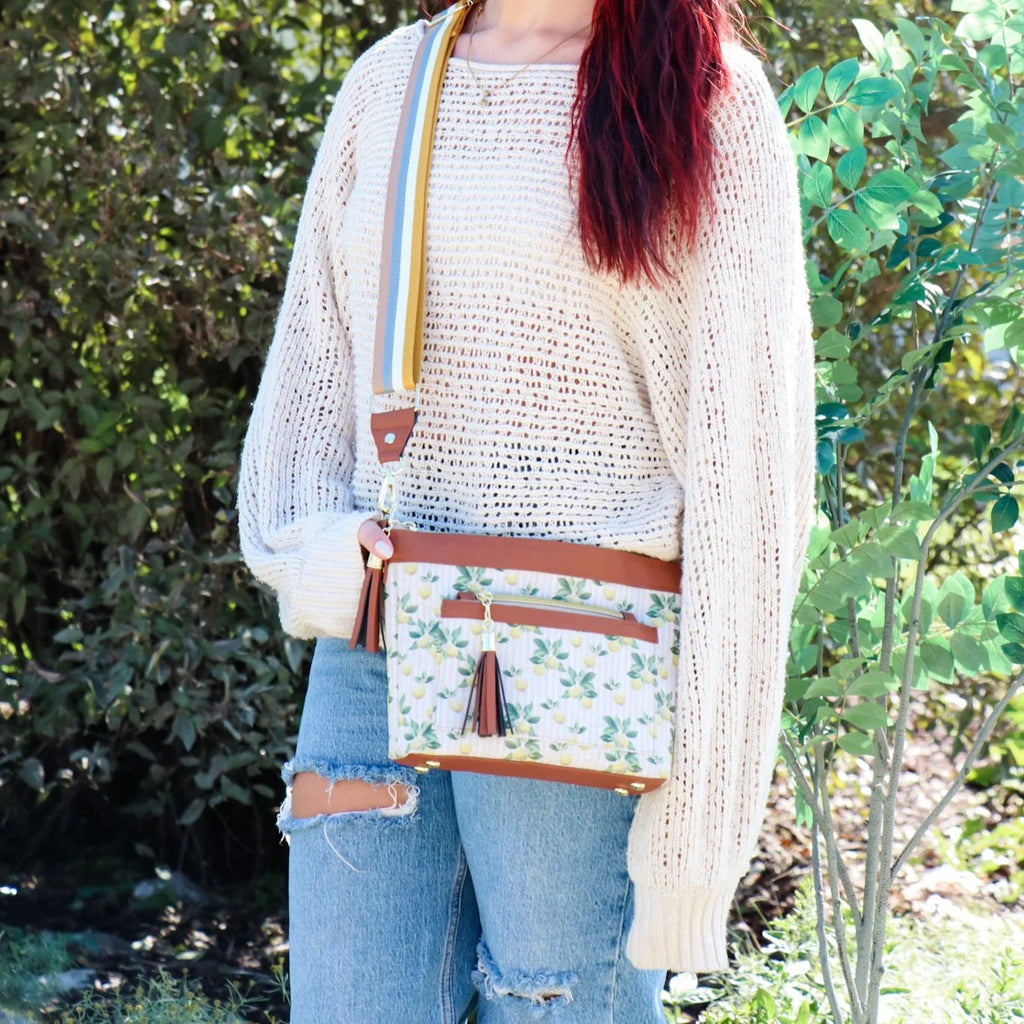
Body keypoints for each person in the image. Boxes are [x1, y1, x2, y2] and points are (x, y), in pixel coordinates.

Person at [237, 0, 817, 1019]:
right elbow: (308, 383)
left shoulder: (708, 98)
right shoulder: (393, 83)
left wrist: (696, 841)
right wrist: (309, 553)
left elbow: (749, 495)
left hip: (580, 658)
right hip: (376, 648)